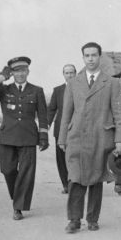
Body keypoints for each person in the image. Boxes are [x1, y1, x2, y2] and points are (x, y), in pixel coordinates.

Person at [58, 42, 121, 233]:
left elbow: (120, 113)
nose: (90, 59)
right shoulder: (74, 83)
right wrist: (62, 138)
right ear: (82, 58)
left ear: (100, 57)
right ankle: (74, 219)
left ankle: (92, 218)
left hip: (101, 137)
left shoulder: (112, 83)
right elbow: (66, 113)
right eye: (86, 56)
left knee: (96, 178)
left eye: (93, 55)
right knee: (75, 178)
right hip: (76, 138)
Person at [0, 56, 49, 220]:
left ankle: (18, 207)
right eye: (16, 71)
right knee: (7, 169)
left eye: (23, 71)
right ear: (12, 73)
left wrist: (43, 136)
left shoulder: (36, 90)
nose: (20, 74)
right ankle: (18, 195)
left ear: (28, 72)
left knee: (26, 173)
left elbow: (42, 115)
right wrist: (0, 78)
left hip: (28, 137)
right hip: (7, 136)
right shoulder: (4, 89)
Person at [47, 64, 77, 194]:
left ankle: (75, 183)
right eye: (67, 73)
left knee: (76, 158)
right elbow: (52, 109)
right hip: (60, 130)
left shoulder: (83, 89)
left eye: (71, 72)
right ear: (63, 74)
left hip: (77, 129)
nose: (69, 75)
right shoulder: (58, 90)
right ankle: (66, 184)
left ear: (75, 74)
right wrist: (46, 125)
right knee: (61, 158)